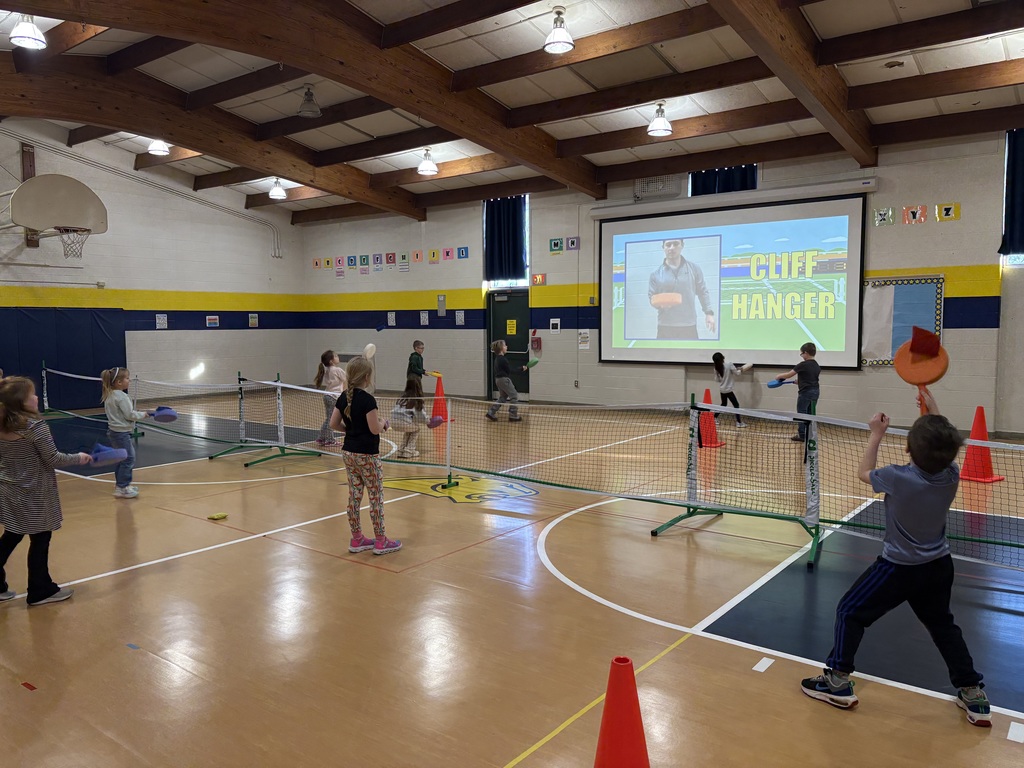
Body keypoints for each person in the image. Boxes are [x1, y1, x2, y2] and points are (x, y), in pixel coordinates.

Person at [800, 391, 991, 727]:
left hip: (898, 569)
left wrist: (875, 434)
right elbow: (941, 441)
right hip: (938, 567)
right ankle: (972, 692)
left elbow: (864, 472)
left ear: (908, 449)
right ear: (949, 452)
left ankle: (838, 682)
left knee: (849, 611)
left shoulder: (897, 477)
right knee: (943, 626)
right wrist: (932, 407)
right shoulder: (951, 474)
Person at [0, 376, 92, 606]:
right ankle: (41, 590)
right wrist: (79, 458)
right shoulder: (35, 427)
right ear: (21, 402)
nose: (36, 397)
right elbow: (53, 458)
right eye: (31, 394)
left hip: (10, 490)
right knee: (40, 538)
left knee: (11, 536)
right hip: (34, 493)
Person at [329, 356, 401, 556]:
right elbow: (374, 428)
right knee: (375, 497)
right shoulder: (368, 400)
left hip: (349, 453)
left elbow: (333, 424)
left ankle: (357, 538)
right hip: (368, 455)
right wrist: (384, 423)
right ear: (367, 377)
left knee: (354, 496)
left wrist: (351, 432)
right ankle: (380, 541)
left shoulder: (344, 397)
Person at [648, 238, 715, 340]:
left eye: (675, 244)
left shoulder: (694, 269)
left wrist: (709, 313)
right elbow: (651, 297)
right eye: (668, 245)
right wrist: (660, 305)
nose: (672, 248)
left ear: (682, 245)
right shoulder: (655, 274)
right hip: (665, 325)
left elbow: (703, 292)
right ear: (663, 248)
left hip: (688, 325)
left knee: (691, 355)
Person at [101, 366, 153, 498]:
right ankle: (123, 487)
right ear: (119, 382)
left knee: (121, 459)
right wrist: (144, 414)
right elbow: (129, 415)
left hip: (113, 432)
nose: (129, 381)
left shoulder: (109, 395)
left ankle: (120, 485)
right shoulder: (122, 397)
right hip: (121, 434)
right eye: (127, 378)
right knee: (129, 458)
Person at [775, 342, 819, 442]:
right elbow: (811, 378)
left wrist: (779, 376)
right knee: (810, 413)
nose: (801, 356)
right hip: (816, 391)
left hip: (806, 392)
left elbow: (789, 374)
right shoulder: (816, 365)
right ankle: (809, 433)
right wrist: (799, 382)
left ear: (806, 353)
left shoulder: (803, 365)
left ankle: (802, 435)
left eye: (801, 354)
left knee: (801, 413)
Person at [486, 340, 526, 423]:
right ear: (501, 348)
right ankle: (513, 415)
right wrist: (521, 369)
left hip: (498, 380)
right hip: (504, 380)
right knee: (514, 396)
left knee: (503, 398)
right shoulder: (503, 359)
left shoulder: (497, 359)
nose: (507, 347)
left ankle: (491, 412)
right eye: (505, 346)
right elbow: (510, 370)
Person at [314, 349, 347, 446]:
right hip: (334, 397)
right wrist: (344, 393)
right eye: (336, 356)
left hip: (327, 396)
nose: (338, 357)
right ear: (331, 361)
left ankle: (322, 438)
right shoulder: (337, 370)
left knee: (328, 418)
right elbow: (347, 380)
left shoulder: (326, 370)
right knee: (332, 419)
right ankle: (330, 440)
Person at [390, 377, 429, 459]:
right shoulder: (416, 400)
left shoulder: (402, 398)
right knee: (416, 429)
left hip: (393, 422)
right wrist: (428, 421)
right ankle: (409, 451)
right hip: (404, 422)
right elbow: (421, 416)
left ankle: (401, 450)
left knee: (410, 429)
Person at [712, 353, 752, 427]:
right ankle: (739, 422)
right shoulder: (729, 365)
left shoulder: (716, 368)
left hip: (722, 390)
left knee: (723, 404)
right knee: (736, 405)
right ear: (722, 358)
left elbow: (717, 380)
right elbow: (737, 373)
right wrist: (741, 370)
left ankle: (714, 417)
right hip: (728, 390)